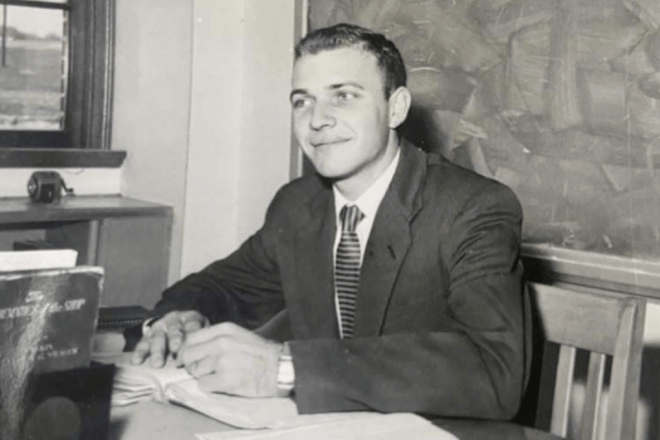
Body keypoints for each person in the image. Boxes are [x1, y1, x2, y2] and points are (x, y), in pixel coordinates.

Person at [131, 23, 530, 420]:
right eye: (302, 101)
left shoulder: (473, 208)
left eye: (343, 96)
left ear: (396, 108)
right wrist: (180, 316)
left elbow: (494, 371)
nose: (317, 120)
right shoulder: (298, 205)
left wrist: (284, 369)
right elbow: (224, 286)